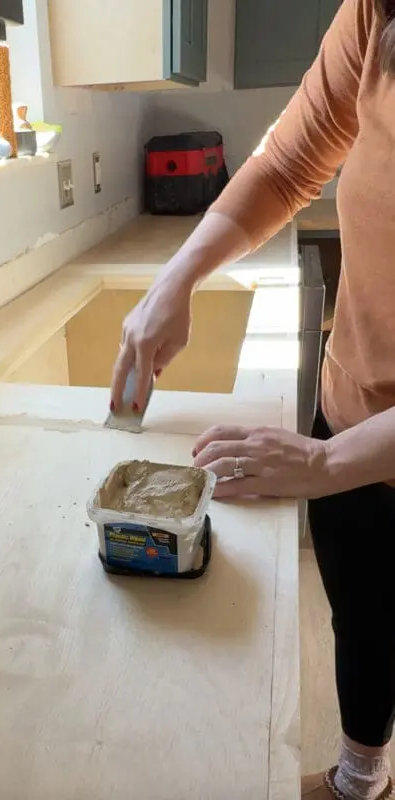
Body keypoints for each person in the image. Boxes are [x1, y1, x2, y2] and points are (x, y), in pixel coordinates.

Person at [110, 0, 395, 798]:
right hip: (350, 404)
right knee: (363, 613)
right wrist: (176, 278)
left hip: (351, 445)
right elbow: (285, 162)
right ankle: (359, 778)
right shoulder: (376, 13)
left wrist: (331, 458)